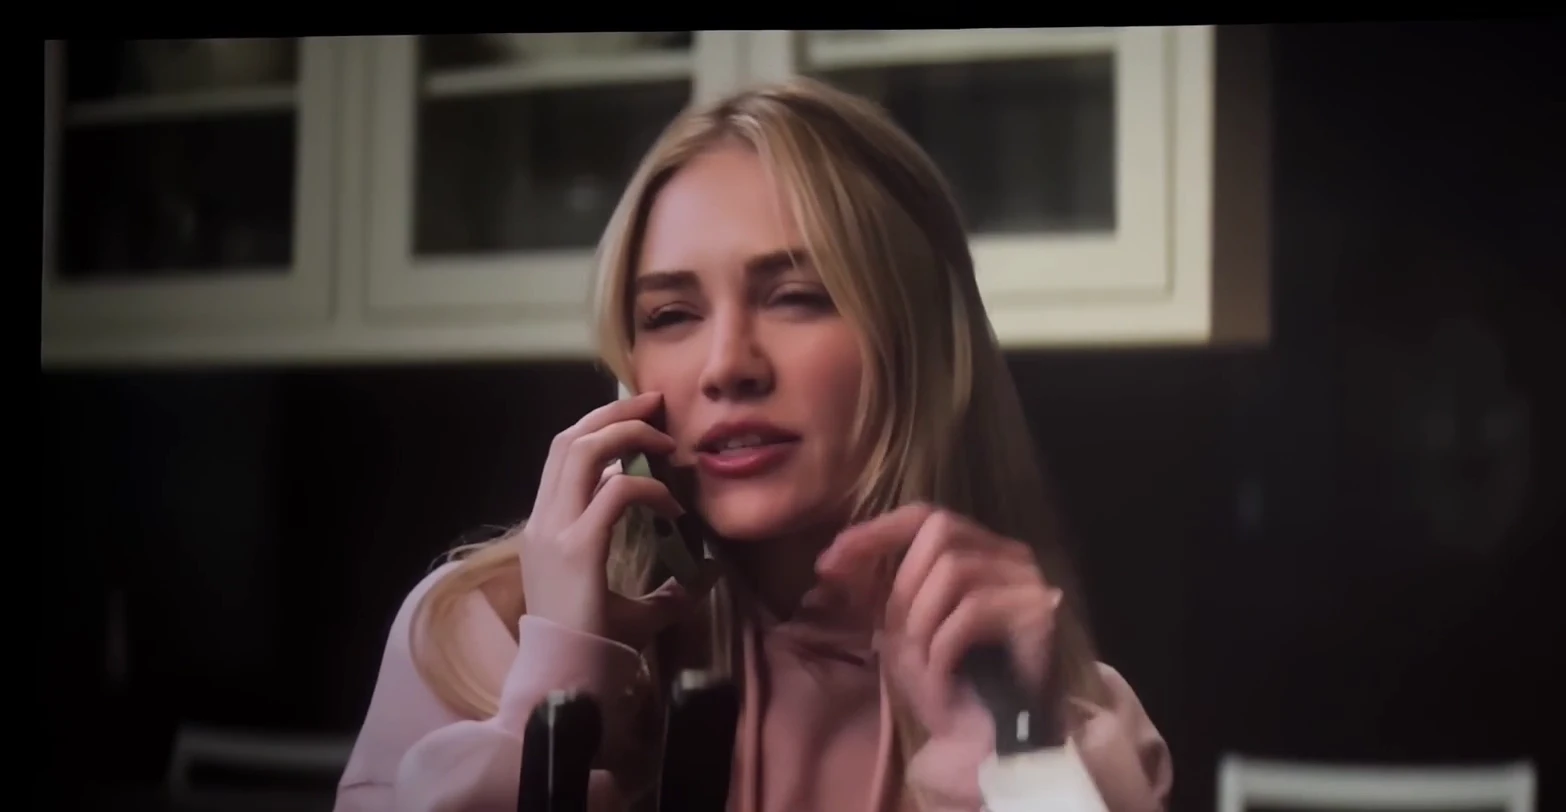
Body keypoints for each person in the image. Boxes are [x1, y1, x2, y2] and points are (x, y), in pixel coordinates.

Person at [333, 77, 1171, 812]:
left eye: (796, 296)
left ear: (919, 346)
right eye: (671, 315)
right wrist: (554, 703)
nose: (728, 365)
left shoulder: (1078, 734)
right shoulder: (473, 639)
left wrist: (1009, 760)